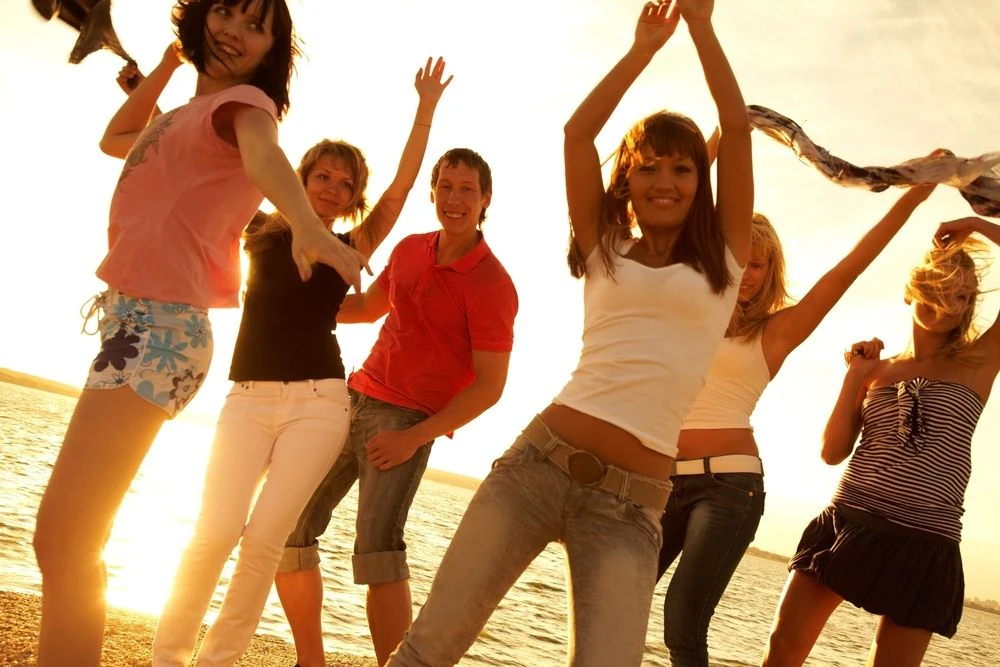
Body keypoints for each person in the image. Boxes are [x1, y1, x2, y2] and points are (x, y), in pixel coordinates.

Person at [387, 0, 753, 663]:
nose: (665, 181)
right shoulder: (605, 247)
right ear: (628, 179)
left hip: (629, 508)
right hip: (536, 466)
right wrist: (642, 50)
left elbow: (736, 126)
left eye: (682, 168)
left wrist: (702, 29)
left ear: (702, 183)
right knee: (428, 647)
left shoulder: (723, 264)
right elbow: (577, 135)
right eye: (649, 166)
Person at [31, 2, 366, 665]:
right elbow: (118, 136)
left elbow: (266, 157)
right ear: (199, 17)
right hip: (131, 326)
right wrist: (165, 64)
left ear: (272, 50)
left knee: (67, 538)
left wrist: (305, 223)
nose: (234, 32)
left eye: (255, 26)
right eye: (226, 13)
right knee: (64, 538)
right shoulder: (185, 116)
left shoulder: (247, 108)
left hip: (163, 330)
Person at [149, 58, 453, 667]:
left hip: (319, 403)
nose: (332, 188)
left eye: (345, 184)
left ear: (353, 198)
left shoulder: (349, 246)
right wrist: (152, 99)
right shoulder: (259, 227)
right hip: (248, 398)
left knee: (265, 540)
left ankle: (216, 661)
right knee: (215, 530)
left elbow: (399, 190)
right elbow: (204, 161)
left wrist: (425, 109)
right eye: (323, 175)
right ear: (303, 176)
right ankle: (168, 657)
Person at [656, 172, 945, 665]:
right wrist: (723, 138)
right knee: (619, 594)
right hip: (661, 479)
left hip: (727, 489)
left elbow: (847, 270)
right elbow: (670, 221)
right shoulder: (686, 314)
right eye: (738, 260)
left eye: (758, 265)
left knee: (682, 619)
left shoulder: (776, 331)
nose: (746, 273)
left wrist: (914, 196)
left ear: (770, 272)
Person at [275, 146, 518, 666]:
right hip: (351, 399)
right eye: (445, 186)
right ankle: (310, 662)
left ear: (486, 199)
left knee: (378, 551)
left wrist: (415, 437)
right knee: (287, 529)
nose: (454, 199)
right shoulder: (410, 249)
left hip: (405, 421)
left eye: (467, 190)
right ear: (433, 192)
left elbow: (490, 386)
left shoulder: (493, 285)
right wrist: (296, 303)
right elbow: (367, 308)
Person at [762, 216, 1000, 667]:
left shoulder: (981, 360)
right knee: (783, 650)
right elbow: (832, 452)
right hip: (848, 521)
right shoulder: (876, 371)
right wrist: (855, 376)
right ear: (912, 290)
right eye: (938, 286)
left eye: (961, 295)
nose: (947, 302)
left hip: (925, 540)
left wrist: (974, 222)